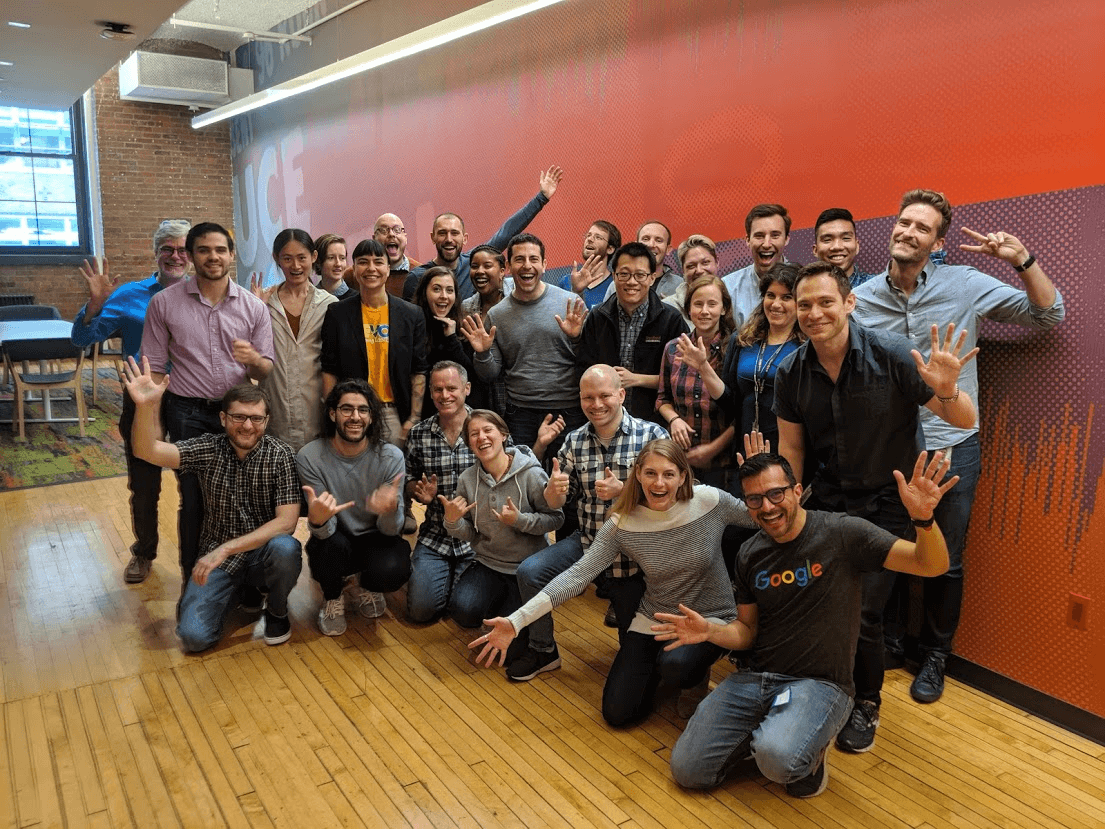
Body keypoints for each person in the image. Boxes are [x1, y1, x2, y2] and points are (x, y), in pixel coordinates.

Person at [852, 188, 1064, 703]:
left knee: (946, 557)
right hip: (891, 449)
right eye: (905, 222)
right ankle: (892, 643)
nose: (909, 232)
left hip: (952, 445)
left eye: (922, 228)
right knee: (890, 549)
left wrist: (1023, 261)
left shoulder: (964, 284)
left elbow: (1048, 315)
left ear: (938, 242)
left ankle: (935, 656)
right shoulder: (863, 298)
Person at [661, 451, 954, 798]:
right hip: (755, 678)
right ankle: (768, 735)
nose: (767, 507)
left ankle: (805, 754)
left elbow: (931, 565)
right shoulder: (749, 553)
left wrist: (923, 519)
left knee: (779, 760)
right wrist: (711, 630)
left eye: (776, 494)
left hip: (820, 685)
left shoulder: (842, 533)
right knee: (688, 770)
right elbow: (747, 632)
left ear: (797, 491)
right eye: (754, 499)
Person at [773, 261, 978, 753]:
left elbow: (964, 419)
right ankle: (827, 685)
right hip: (829, 499)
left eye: (826, 302)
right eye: (805, 304)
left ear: (850, 303)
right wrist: (788, 502)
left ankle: (866, 703)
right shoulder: (791, 372)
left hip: (890, 502)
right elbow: (792, 448)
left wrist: (948, 390)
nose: (815, 313)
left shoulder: (892, 354)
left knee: (864, 610)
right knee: (825, 599)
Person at [471, 439, 757, 726]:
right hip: (656, 617)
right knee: (618, 714)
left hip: (712, 617)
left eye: (668, 474)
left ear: (683, 476)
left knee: (678, 666)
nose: (659, 483)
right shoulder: (623, 524)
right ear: (638, 474)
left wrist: (756, 478)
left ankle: (689, 675)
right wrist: (516, 621)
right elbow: (577, 575)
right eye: (650, 473)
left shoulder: (709, 501)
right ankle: (663, 668)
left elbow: (759, 520)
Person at [123, 357, 302, 651]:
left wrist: (226, 549)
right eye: (238, 417)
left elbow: (287, 522)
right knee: (193, 638)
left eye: (256, 418)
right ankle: (240, 593)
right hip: (220, 562)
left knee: (286, 548)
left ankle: (277, 610)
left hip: (254, 554)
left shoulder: (280, 455)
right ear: (222, 419)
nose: (247, 426)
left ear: (267, 421)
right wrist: (145, 407)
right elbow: (147, 451)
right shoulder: (209, 448)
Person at [508, 365, 668, 680]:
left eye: (604, 395)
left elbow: (676, 497)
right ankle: (543, 650)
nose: (596, 404)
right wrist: (553, 493)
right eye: (588, 398)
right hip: (588, 543)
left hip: (635, 556)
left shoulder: (653, 436)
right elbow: (558, 502)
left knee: (635, 661)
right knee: (530, 573)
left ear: (621, 395)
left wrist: (627, 492)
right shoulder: (574, 441)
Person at [140, 221, 275, 581]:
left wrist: (253, 360)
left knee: (243, 494)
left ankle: (243, 581)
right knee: (194, 499)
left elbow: (265, 369)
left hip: (238, 414)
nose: (212, 257)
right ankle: (193, 580)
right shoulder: (164, 303)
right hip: (186, 412)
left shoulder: (253, 307)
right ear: (191, 256)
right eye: (203, 250)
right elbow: (154, 370)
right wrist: (153, 422)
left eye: (220, 250)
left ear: (231, 255)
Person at [70, 218, 191, 583]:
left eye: (183, 249)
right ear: (156, 253)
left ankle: (199, 553)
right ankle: (144, 552)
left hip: (189, 398)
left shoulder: (203, 293)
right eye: (167, 249)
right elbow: (82, 339)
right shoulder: (129, 295)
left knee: (194, 482)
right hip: (142, 400)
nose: (175, 256)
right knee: (144, 483)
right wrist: (94, 304)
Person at [296, 379, 410, 636]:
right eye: (347, 409)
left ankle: (366, 584)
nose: (355, 417)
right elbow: (324, 532)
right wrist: (317, 521)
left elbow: (391, 531)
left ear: (372, 417)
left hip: (375, 535)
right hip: (336, 536)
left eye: (363, 410)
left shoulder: (391, 456)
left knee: (394, 569)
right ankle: (333, 596)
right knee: (328, 549)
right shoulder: (310, 456)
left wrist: (390, 510)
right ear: (332, 413)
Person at [440, 410, 563, 638]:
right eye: (474, 434)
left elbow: (556, 518)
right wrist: (452, 521)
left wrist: (519, 521)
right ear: (469, 443)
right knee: (464, 613)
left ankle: (508, 603)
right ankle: (500, 601)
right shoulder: (467, 480)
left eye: (488, 430)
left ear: (504, 435)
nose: (482, 437)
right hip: (487, 562)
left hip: (527, 568)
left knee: (517, 640)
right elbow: (471, 534)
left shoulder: (531, 473)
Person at [462, 232, 588, 453]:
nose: (527, 265)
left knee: (568, 473)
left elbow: (588, 361)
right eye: (519, 259)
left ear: (544, 265)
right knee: (523, 472)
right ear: (509, 267)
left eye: (533, 259)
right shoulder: (497, 315)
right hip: (520, 413)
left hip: (568, 410)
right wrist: (482, 353)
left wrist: (577, 339)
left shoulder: (570, 303)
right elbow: (489, 374)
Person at [320, 237, 428, 448]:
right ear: (353, 269)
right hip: (351, 413)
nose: (371, 268)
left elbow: (419, 370)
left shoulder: (411, 314)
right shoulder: (337, 313)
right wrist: (332, 415)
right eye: (363, 262)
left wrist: (413, 418)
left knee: (394, 468)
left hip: (394, 413)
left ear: (388, 269)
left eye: (378, 262)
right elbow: (329, 369)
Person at [406, 165, 564, 300]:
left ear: (465, 238)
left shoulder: (474, 264)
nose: (449, 239)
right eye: (442, 233)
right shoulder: (418, 277)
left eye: (454, 233)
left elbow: (505, 233)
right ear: (433, 237)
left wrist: (541, 198)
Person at [576, 242, 688, 424]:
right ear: (614, 276)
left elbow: (682, 377)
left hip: (654, 422)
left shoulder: (671, 319)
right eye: (624, 274)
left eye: (640, 275)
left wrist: (637, 379)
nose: (632, 282)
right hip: (604, 421)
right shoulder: (598, 317)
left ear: (652, 278)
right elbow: (583, 369)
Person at [405, 362, 479, 622]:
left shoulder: (485, 428)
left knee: (467, 613)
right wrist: (418, 492)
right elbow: (409, 477)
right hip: (435, 536)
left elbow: (510, 470)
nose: (444, 395)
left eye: (451, 388)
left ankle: (458, 586)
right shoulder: (419, 434)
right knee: (420, 612)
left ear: (467, 389)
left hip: (477, 539)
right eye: (438, 389)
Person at [253, 228, 338, 452]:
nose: (296, 266)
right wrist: (254, 312)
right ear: (276, 259)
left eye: (302, 258)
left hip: (316, 408)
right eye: (287, 259)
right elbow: (250, 354)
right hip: (275, 405)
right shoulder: (264, 302)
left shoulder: (329, 304)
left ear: (314, 257)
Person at [656, 276, 737, 487]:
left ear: (723, 309)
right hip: (681, 460)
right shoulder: (673, 348)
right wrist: (674, 419)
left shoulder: (736, 348)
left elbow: (741, 412)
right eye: (698, 304)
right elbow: (662, 399)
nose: (704, 311)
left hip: (723, 463)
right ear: (688, 309)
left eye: (712, 304)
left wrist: (711, 450)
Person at [412, 266, 473, 417]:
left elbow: (467, 375)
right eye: (437, 289)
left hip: (456, 412)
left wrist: (451, 338)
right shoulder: (412, 326)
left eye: (450, 290)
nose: (444, 296)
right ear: (424, 293)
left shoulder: (464, 326)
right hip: (421, 413)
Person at [460, 245, 512, 412]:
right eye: (474, 266)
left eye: (487, 266)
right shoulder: (467, 307)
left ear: (502, 271)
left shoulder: (517, 296)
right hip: (484, 393)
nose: (480, 271)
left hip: (517, 392)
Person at [721, 204, 793, 325]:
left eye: (775, 235)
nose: (766, 244)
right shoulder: (728, 288)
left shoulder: (802, 283)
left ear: (786, 239)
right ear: (748, 240)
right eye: (759, 236)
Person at [556, 220, 622, 308]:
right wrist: (576, 291)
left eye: (598, 237)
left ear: (610, 249)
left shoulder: (615, 286)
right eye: (588, 235)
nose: (590, 239)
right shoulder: (566, 282)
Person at [663, 234, 719, 325]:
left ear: (717, 262)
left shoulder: (733, 300)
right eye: (691, 266)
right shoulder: (667, 309)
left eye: (705, 262)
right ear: (683, 270)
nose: (699, 270)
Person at [812, 208, 872, 288]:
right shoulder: (803, 290)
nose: (837, 247)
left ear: (857, 246)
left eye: (846, 238)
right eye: (827, 240)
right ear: (815, 250)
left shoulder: (877, 288)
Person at [371, 214, 422, 298]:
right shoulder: (358, 275)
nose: (391, 234)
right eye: (383, 230)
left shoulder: (422, 273)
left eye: (397, 230)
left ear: (405, 238)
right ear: (374, 239)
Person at [313, 232, 351, 297]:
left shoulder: (358, 299)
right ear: (318, 261)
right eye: (331, 258)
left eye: (342, 258)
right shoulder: (308, 298)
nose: (338, 264)